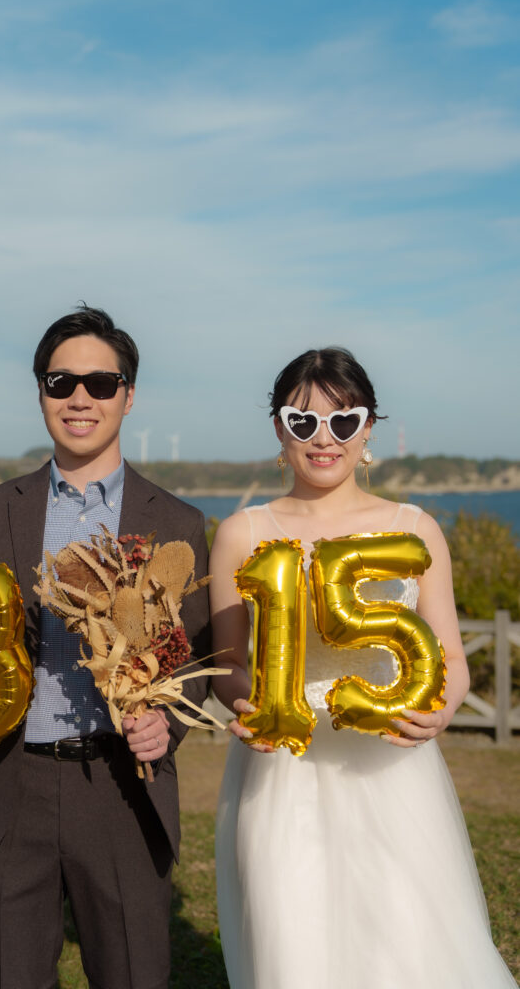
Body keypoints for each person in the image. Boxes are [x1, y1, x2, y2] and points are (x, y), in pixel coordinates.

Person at [209, 347, 517, 989]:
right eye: (303, 422)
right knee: (294, 942)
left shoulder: (415, 528)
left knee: (407, 941)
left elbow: (451, 656)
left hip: (392, 768)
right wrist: (247, 703)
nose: (324, 439)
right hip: (283, 772)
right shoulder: (242, 532)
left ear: (368, 428)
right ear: (279, 430)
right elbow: (227, 663)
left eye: (343, 421)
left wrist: (441, 709)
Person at [0, 305, 210, 989]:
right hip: (7, 783)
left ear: (128, 395)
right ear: (40, 392)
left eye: (100, 383)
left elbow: (191, 657)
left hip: (122, 788)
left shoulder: (177, 521)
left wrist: (165, 725)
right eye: (61, 383)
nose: (79, 398)